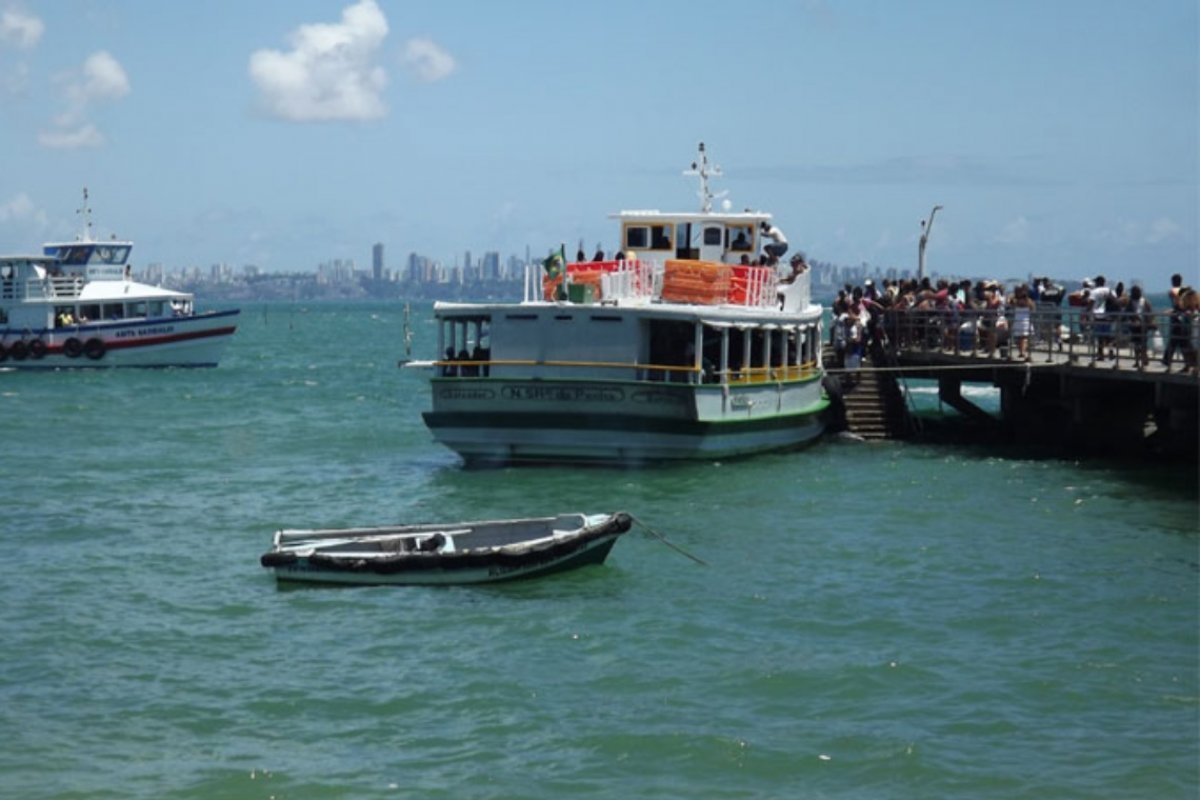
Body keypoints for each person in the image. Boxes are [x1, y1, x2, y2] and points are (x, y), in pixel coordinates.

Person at [1163, 273, 1185, 370]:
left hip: (1177, 319)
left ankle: (1167, 361)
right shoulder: (1185, 291)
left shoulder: (1173, 291)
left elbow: (1178, 305)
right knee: (1183, 342)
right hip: (1185, 319)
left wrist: (1174, 310)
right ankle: (1189, 364)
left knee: (1174, 340)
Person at [1009, 284, 1036, 361]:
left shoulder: (1015, 300)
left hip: (1019, 319)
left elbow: (1011, 304)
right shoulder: (1028, 301)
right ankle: (1022, 352)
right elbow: (1033, 308)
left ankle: (1022, 352)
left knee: (1021, 338)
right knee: (1023, 338)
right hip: (1025, 319)